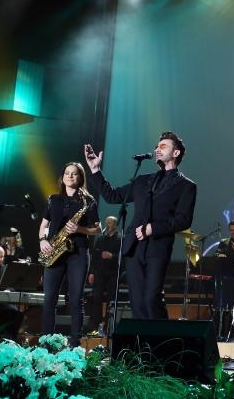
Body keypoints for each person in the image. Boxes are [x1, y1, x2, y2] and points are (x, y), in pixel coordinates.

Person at [84, 131, 197, 319]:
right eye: (157, 146)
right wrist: (95, 170)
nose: (157, 149)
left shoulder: (186, 186)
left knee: (151, 298)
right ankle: (141, 338)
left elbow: (183, 219)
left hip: (157, 248)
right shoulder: (143, 181)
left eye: (163, 146)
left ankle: (160, 336)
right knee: (137, 301)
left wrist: (153, 228)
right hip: (134, 248)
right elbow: (113, 196)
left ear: (176, 153)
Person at [39, 162, 101, 347]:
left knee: (75, 299)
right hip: (54, 250)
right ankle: (46, 343)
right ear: (62, 176)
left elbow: (98, 229)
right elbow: (43, 225)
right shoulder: (53, 199)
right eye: (67, 173)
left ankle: (75, 344)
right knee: (49, 299)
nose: (70, 176)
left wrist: (79, 229)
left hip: (78, 252)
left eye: (74, 174)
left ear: (80, 177)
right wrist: (42, 240)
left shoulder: (88, 201)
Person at [87, 215, 121, 336]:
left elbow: (123, 258)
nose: (107, 225)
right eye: (106, 222)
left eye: (110, 223)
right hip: (99, 273)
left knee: (111, 300)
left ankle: (108, 327)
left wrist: (112, 256)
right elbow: (94, 257)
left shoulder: (120, 239)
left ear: (115, 225)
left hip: (113, 274)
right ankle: (95, 326)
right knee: (96, 298)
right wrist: (91, 272)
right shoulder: (100, 238)